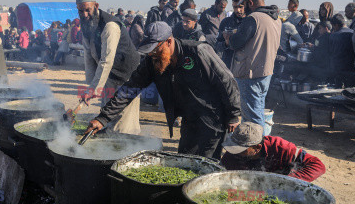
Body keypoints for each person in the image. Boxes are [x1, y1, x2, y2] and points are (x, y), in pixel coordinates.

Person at [85, 21, 241, 158]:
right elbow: (130, 89)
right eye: (150, 50)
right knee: (184, 158)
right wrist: (103, 118)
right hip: (189, 116)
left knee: (205, 162)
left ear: (168, 41)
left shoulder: (197, 52)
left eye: (156, 49)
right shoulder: (153, 61)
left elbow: (226, 80)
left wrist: (234, 114)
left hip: (212, 116)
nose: (153, 54)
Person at [76, 0, 141, 134]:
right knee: (106, 112)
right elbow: (89, 54)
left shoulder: (110, 25)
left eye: (88, 10)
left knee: (123, 121)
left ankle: (128, 147)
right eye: (81, 11)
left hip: (126, 75)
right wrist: (91, 86)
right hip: (109, 76)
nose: (85, 14)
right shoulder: (86, 25)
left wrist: (93, 88)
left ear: (96, 6)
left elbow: (107, 60)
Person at [228, 0, 281, 130]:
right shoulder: (275, 19)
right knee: (253, 112)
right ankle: (250, 147)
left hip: (250, 75)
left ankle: (259, 148)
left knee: (253, 119)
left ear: (250, 2)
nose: (242, 8)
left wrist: (229, 37)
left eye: (243, 4)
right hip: (265, 73)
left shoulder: (253, 18)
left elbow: (235, 43)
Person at [220, 122, 325, 182]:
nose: (235, 152)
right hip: (247, 188)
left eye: (241, 150)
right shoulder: (233, 153)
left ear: (257, 147)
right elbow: (221, 174)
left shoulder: (280, 148)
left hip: (277, 190)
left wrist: (285, 181)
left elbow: (318, 166)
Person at [215, 0, 245, 68]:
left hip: (245, 65)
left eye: (241, 7)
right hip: (229, 64)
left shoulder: (252, 22)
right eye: (235, 7)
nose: (238, 10)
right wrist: (226, 43)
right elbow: (217, 45)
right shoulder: (226, 22)